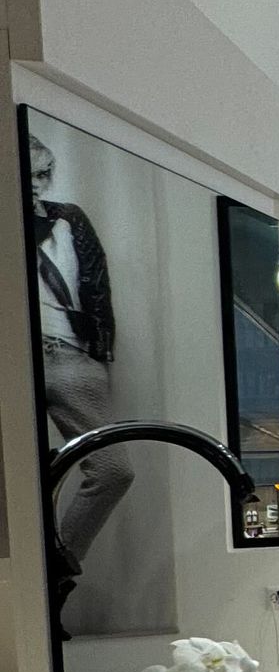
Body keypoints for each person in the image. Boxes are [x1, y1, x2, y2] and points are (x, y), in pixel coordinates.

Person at [28, 132, 132, 609]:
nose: (35, 185)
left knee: (113, 470)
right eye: (25, 174)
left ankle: (57, 569)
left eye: (43, 174)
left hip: (69, 355)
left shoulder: (67, 219)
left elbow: (97, 284)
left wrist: (99, 357)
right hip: (16, 361)